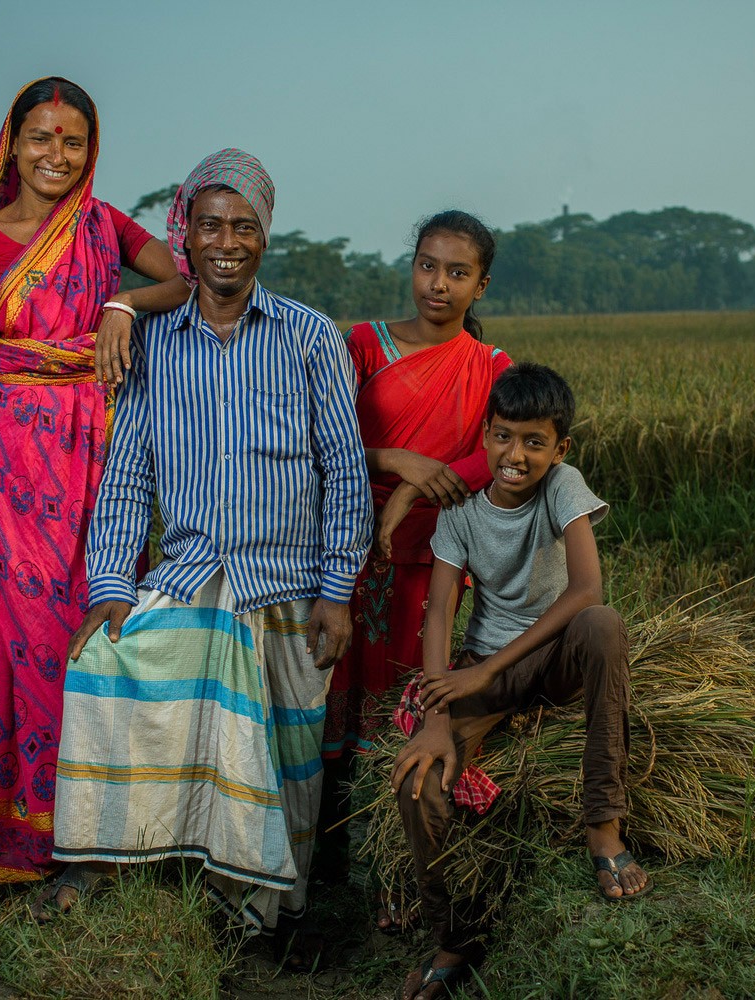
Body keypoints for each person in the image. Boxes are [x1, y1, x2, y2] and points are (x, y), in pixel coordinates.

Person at [46, 149, 374, 958]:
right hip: (192, 579)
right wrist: (111, 586)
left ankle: (275, 920)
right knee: (100, 672)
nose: (226, 242)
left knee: (287, 760)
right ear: (183, 238)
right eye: (209, 226)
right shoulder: (154, 342)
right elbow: (126, 476)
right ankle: (101, 861)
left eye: (243, 227)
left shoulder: (307, 338)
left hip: (288, 588)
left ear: (265, 238)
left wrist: (337, 592)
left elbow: (344, 470)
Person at [0, 76, 189, 884]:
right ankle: (20, 836)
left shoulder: (103, 226)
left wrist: (123, 305)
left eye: (72, 141)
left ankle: (100, 827)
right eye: (41, 137)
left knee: (91, 628)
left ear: (91, 149)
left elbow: (183, 281)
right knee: (12, 648)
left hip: (89, 461)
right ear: (11, 142)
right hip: (1, 469)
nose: (56, 155)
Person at [390, 362, 649, 1000]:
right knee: (417, 779)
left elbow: (588, 588)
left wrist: (489, 667)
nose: (517, 454)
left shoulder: (563, 485)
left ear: (560, 448)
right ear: (486, 436)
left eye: (535, 442)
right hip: (484, 666)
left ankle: (603, 823)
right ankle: (455, 935)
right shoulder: (460, 516)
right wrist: (437, 713)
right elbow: (441, 612)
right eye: (504, 436)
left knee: (604, 625)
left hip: (552, 657)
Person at [319, 211, 510, 929]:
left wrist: (421, 484)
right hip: (345, 546)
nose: (438, 283)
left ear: (480, 285)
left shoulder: (492, 370)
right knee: (329, 691)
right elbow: (323, 436)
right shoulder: (362, 345)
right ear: (412, 266)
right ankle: (314, 864)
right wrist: (394, 463)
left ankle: (390, 872)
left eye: (457, 272)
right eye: (427, 265)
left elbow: (501, 453)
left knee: (398, 702)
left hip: (432, 558)